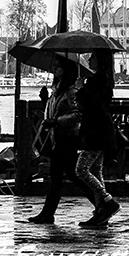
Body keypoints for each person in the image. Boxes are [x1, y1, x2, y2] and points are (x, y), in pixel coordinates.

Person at [27, 57, 96, 224]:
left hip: (68, 138)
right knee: (67, 175)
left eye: (58, 67)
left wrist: (56, 122)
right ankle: (99, 202)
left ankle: (101, 202)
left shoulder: (71, 92)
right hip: (57, 139)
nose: (55, 69)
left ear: (65, 70)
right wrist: (45, 100)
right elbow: (52, 112)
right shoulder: (56, 91)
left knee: (62, 175)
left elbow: (78, 115)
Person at [74, 49, 121, 228]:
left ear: (99, 60)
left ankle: (107, 201)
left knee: (82, 169)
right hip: (101, 129)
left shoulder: (98, 81)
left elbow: (90, 104)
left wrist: (79, 88)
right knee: (96, 169)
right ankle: (101, 212)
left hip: (96, 130)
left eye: (92, 57)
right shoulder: (104, 80)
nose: (89, 59)